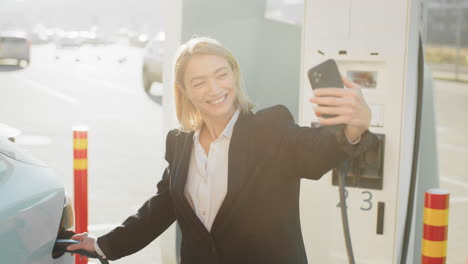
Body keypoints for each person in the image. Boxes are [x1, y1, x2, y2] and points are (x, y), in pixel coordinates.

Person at [67, 37, 377, 264]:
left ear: (234, 75)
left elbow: (316, 153)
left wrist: (352, 130)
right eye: (199, 82)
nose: (215, 89)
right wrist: (102, 245)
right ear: (184, 92)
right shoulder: (180, 143)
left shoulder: (271, 127)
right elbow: (161, 208)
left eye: (221, 75)